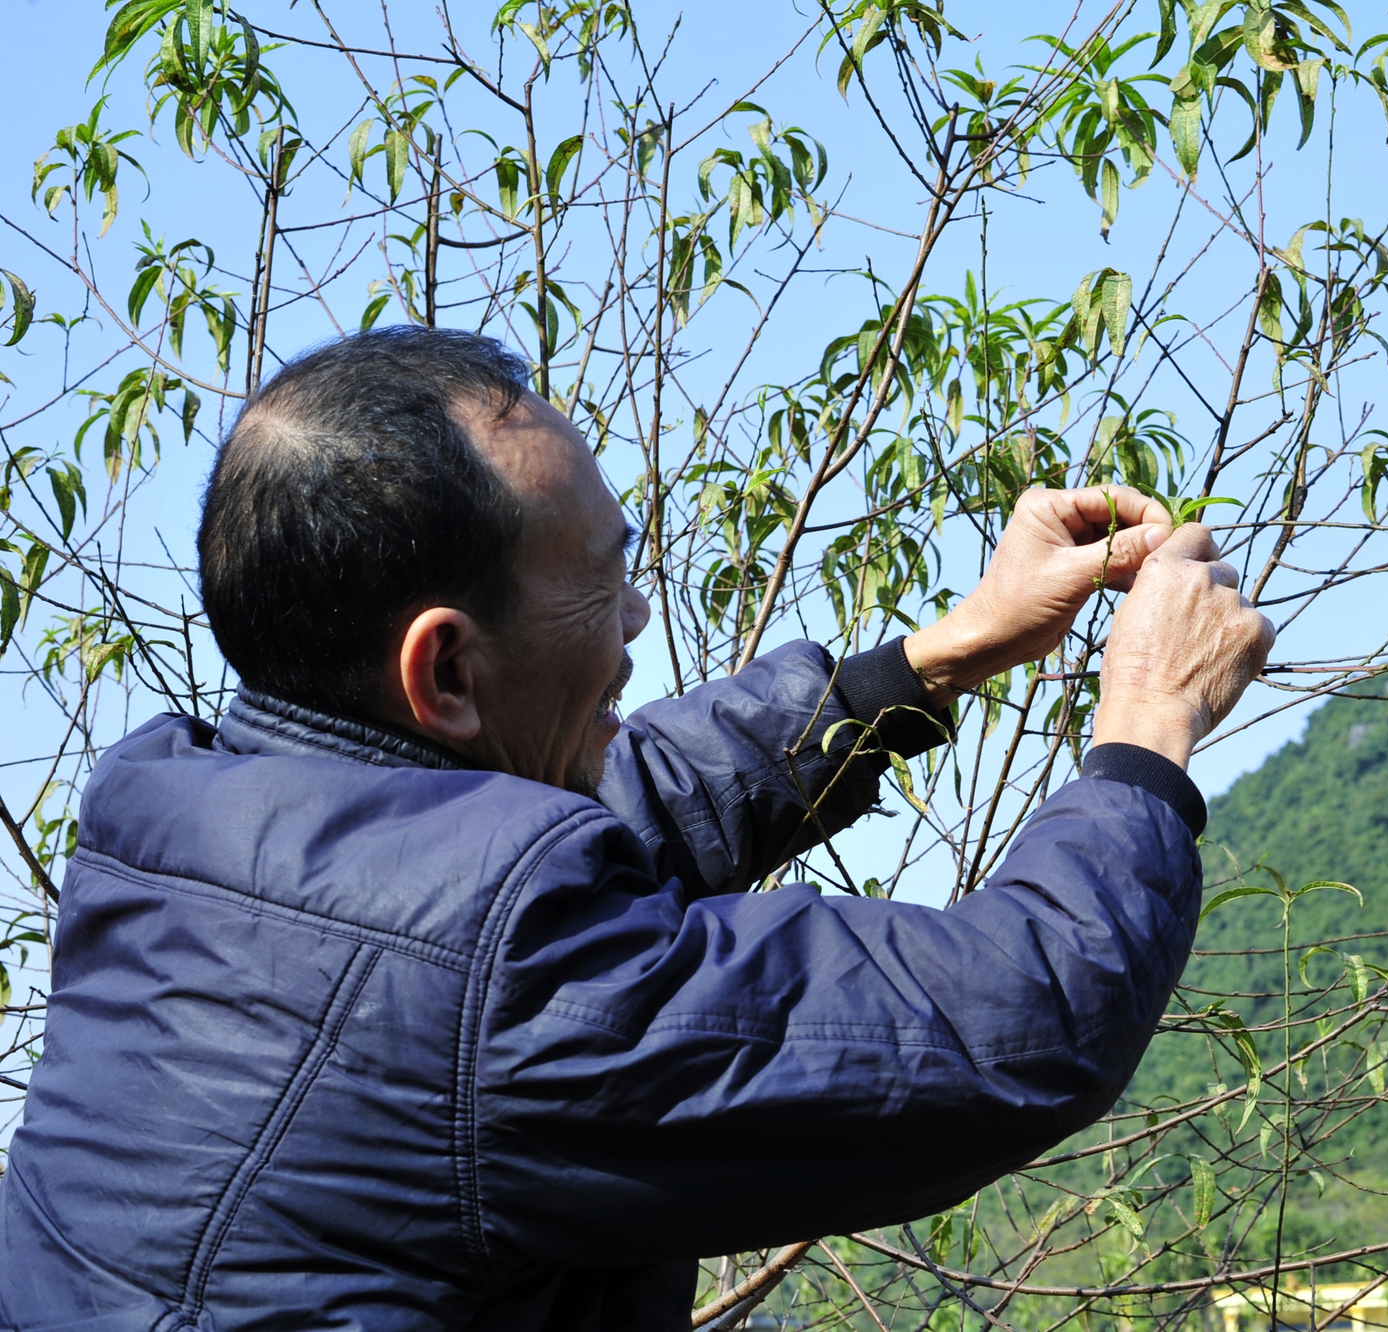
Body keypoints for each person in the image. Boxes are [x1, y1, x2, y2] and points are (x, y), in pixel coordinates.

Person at [0, 328, 1273, 1330]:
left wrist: (936, 657)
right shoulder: (492, 985)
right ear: (445, 671)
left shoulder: (168, 812)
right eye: (604, 579)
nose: (635, 620)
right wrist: (1144, 722)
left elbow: (577, 827)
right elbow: (1016, 1022)